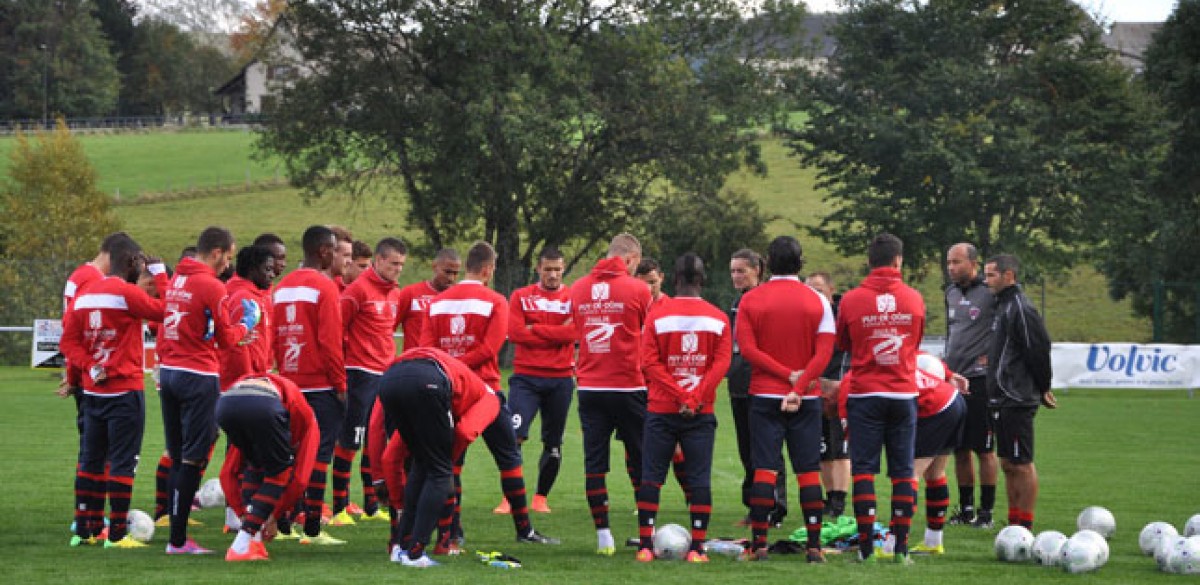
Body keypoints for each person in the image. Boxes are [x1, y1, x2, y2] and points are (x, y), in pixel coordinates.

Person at [420, 242, 557, 548]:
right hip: (484, 394)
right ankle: (524, 530)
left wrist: (450, 369)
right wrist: (462, 369)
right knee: (509, 458)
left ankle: (453, 530)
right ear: (487, 269)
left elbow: (427, 350)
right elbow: (489, 349)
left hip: (448, 393)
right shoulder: (495, 300)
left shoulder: (437, 302)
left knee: (451, 463)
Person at [158, 226, 258, 555]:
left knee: (177, 457)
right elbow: (227, 340)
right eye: (227, 258)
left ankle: (175, 535)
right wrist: (247, 324)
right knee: (192, 459)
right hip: (197, 375)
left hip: (170, 371)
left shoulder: (177, 280)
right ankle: (177, 541)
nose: (228, 265)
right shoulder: (211, 285)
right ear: (216, 252)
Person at [735, 235, 834, 563]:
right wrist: (800, 383)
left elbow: (748, 350)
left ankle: (760, 544)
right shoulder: (817, 300)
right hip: (806, 398)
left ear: (765, 264)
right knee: (807, 471)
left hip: (764, 395)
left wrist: (786, 377)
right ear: (800, 261)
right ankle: (815, 547)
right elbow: (824, 352)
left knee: (764, 469)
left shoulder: (751, 300)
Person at [61, 238, 165, 548]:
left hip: (94, 393)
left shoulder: (84, 295)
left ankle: (85, 527)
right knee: (122, 461)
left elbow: (68, 343)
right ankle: (117, 534)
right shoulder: (127, 294)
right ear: (132, 262)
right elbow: (165, 311)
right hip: (124, 391)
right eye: (141, 264)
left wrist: (87, 366)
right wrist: (160, 274)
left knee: (91, 460)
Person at [635, 253, 732, 563]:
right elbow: (721, 364)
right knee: (699, 478)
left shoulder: (656, 316)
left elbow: (649, 363)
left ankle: (645, 547)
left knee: (651, 477)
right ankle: (698, 548)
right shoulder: (718, 318)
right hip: (700, 411)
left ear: (674, 280)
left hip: (662, 408)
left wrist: (678, 395)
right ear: (702, 280)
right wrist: (695, 397)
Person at [837, 233, 926, 564]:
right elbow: (914, 341)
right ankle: (901, 548)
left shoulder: (851, 300)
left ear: (869, 261)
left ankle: (865, 550)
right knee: (903, 471)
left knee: (863, 470)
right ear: (898, 260)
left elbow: (844, 342)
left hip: (865, 392)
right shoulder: (915, 298)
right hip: (903, 392)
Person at [374, 347, 500, 568]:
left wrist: (398, 501)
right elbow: (465, 432)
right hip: (427, 381)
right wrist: (446, 460)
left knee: (422, 464)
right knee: (440, 472)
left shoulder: (463, 383)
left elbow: (390, 454)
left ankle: (401, 547)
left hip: (388, 380)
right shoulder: (491, 400)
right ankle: (416, 552)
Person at [568, 233, 652, 555]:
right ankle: (648, 533)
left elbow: (577, 331)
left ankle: (604, 537)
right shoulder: (638, 289)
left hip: (590, 386)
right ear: (630, 259)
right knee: (643, 460)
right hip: (629, 385)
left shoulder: (577, 288)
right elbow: (648, 332)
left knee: (595, 463)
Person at [272, 225, 347, 545]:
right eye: (335, 249)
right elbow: (330, 342)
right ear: (324, 252)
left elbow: (274, 337)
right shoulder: (325, 287)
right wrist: (341, 385)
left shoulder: (281, 286)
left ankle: (286, 514)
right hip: (319, 384)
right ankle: (313, 524)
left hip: (288, 383)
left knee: (291, 453)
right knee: (319, 455)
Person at [59, 231, 137, 532]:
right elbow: (78, 330)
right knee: (101, 453)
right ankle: (96, 519)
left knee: (94, 451)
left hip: (87, 373)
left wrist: (74, 372)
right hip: (100, 378)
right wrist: (81, 372)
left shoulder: (78, 275)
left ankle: (88, 519)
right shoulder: (93, 281)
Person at [329, 238, 407, 526]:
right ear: (378, 260)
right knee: (351, 439)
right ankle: (339, 506)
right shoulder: (357, 290)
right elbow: (336, 331)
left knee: (377, 441)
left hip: (386, 375)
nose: (398, 269)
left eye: (401, 264)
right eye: (393, 263)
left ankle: (373, 504)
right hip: (359, 373)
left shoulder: (396, 293)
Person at [984, 253, 1055, 530]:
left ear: (1008, 276)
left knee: (1022, 463)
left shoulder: (1020, 308)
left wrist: (1043, 386)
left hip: (1016, 397)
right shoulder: (1003, 306)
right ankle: (1013, 524)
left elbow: (1038, 349)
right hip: (1001, 398)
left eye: (991, 275)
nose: (986, 280)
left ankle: (1024, 527)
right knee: (1008, 464)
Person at [216, 374, 318, 561]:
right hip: (263, 404)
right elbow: (300, 480)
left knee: (255, 465)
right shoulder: (308, 424)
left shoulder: (288, 405)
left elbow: (227, 474)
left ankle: (252, 541)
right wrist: (272, 516)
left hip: (226, 403)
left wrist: (246, 514)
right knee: (279, 473)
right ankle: (240, 546)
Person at [506, 246, 576, 513]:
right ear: (538, 269)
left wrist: (536, 328)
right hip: (526, 377)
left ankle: (540, 498)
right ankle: (510, 498)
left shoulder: (573, 298)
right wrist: (559, 330)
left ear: (563, 269)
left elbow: (575, 333)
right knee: (514, 436)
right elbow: (515, 333)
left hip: (560, 379)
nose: (553, 275)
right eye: (548, 269)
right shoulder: (521, 296)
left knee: (553, 442)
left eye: (558, 269)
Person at [726, 248, 788, 525]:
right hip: (738, 383)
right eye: (733, 271)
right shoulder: (736, 304)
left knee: (768, 447)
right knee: (746, 449)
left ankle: (775, 507)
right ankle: (754, 505)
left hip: (762, 383)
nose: (736, 276)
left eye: (741, 271)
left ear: (757, 271)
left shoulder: (764, 300)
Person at [944, 242, 999, 528]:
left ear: (973, 263)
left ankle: (986, 512)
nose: (951, 267)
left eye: (957, 262)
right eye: (949, 262)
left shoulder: (990, 293)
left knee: (984, 449)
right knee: (960, 449)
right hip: (954, 380)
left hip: (980, 380)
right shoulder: (950, 293)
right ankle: (965, 510)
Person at [807, 271, 851, 519]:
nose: (815, 295)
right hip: (815, 388)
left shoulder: (841, 316)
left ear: (831, 291)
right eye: (810, 290)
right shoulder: (807, 317)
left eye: (819, 290)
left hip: (839, 387)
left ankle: (839, 500)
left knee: (841, 448)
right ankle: (829, 498)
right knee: (823, 448)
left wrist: (843, 382)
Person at [219, 245, 276, 390]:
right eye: (267, 269)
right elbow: (239, 344)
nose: (272, 274)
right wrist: (248, 379)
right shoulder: (244, 299)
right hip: (243, 381)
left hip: (251, 376)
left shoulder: (253, 295)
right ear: (252, 270)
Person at [395, 249, 461, 352]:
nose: (451, 278)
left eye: (455, 273)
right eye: (447, 272)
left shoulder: (458, 298)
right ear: (435, 266)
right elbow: (388, 329)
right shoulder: (411, 293)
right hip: (415, 362)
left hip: (445, 363)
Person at [328, 225, 354, 292]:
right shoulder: (321, 286)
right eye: (346, 255)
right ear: (331, 254)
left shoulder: (335, 285)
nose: (350, 261)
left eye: (351, 256)